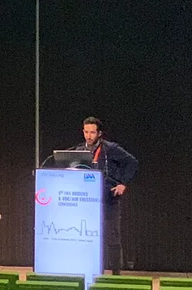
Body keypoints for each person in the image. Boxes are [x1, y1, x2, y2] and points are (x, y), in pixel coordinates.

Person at [78, 117, 138, 275]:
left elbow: (132, 162)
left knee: (112, 238)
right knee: (88, 237)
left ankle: (116, 274)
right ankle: (92, 271)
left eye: (92, 132)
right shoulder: (79, 151)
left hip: (108, 199)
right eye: (86, 132)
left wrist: (123, 183)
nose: (89, 136)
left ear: (99, 133)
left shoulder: (110, 149)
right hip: (86, 201)